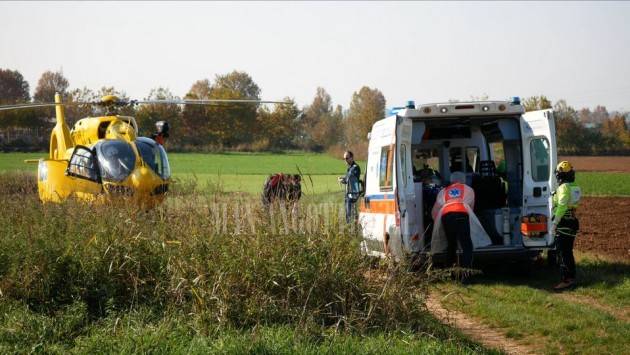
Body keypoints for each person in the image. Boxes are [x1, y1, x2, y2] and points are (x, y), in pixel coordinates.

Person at [430, 172, 492, 279]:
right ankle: (466, 275)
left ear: (451, 181)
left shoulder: (443, 191)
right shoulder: (469, 190)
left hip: (446, 216)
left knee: (451, 245)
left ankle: (450, 274)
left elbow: (434, 212)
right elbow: (470, 209)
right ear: (463, 180)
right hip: (462, 215)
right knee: (467, 245)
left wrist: (439, 226)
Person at [552, 161, 581, 291]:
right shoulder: (575, 187)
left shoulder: (563, 188)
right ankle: (571, 278)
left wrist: (554, 223)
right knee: (568, 252)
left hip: (563, 222)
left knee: (563, 253)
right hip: (572, 222)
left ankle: (566, 280)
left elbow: (562, 206)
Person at [338, 151, 361, 223]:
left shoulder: (355, 167)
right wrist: (342, 179)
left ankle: (353, 232)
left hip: (353, 196)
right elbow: (347, 178)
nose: (345, 160)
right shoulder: (350, 168)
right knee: (348, 216)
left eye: (347, 158)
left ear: (352, 158)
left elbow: (349, 178)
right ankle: (350, 231)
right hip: (348, 195)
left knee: (352, 217)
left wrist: (342, 180)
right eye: (344, 159)